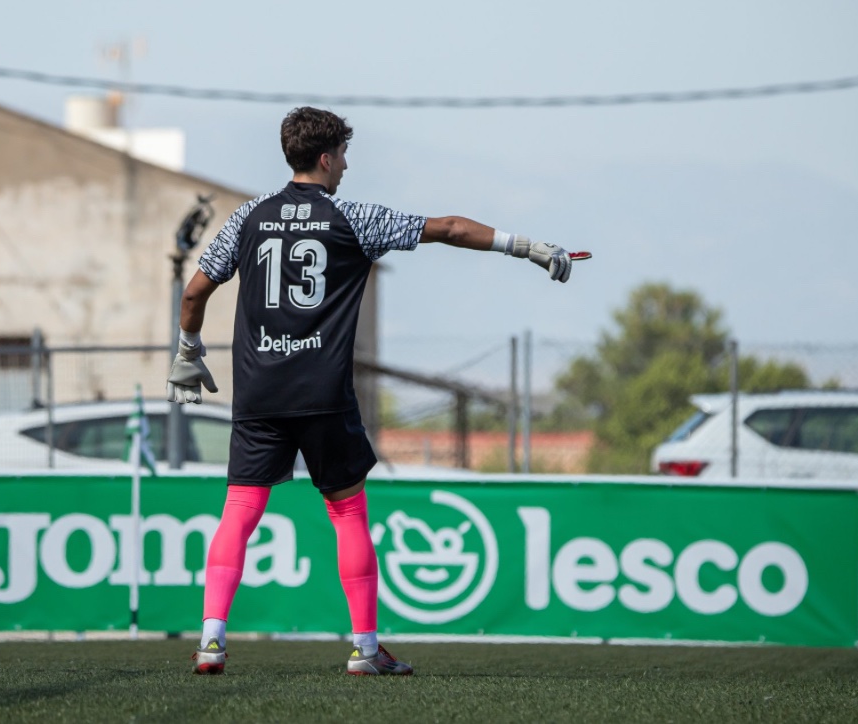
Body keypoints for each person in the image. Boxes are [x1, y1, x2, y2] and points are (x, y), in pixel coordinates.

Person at [167, 106, 576, 677]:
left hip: (259, 393)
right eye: (344, 157)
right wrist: (527, 247)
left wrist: (188, 351)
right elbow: (449, 229)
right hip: (324, 394)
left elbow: (193, 293)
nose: (346, 168)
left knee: (239, 511)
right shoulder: (351, 217)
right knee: (348, 512)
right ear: (327, 157)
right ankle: (364, 649)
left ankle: (211, 642)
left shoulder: (248, 218)